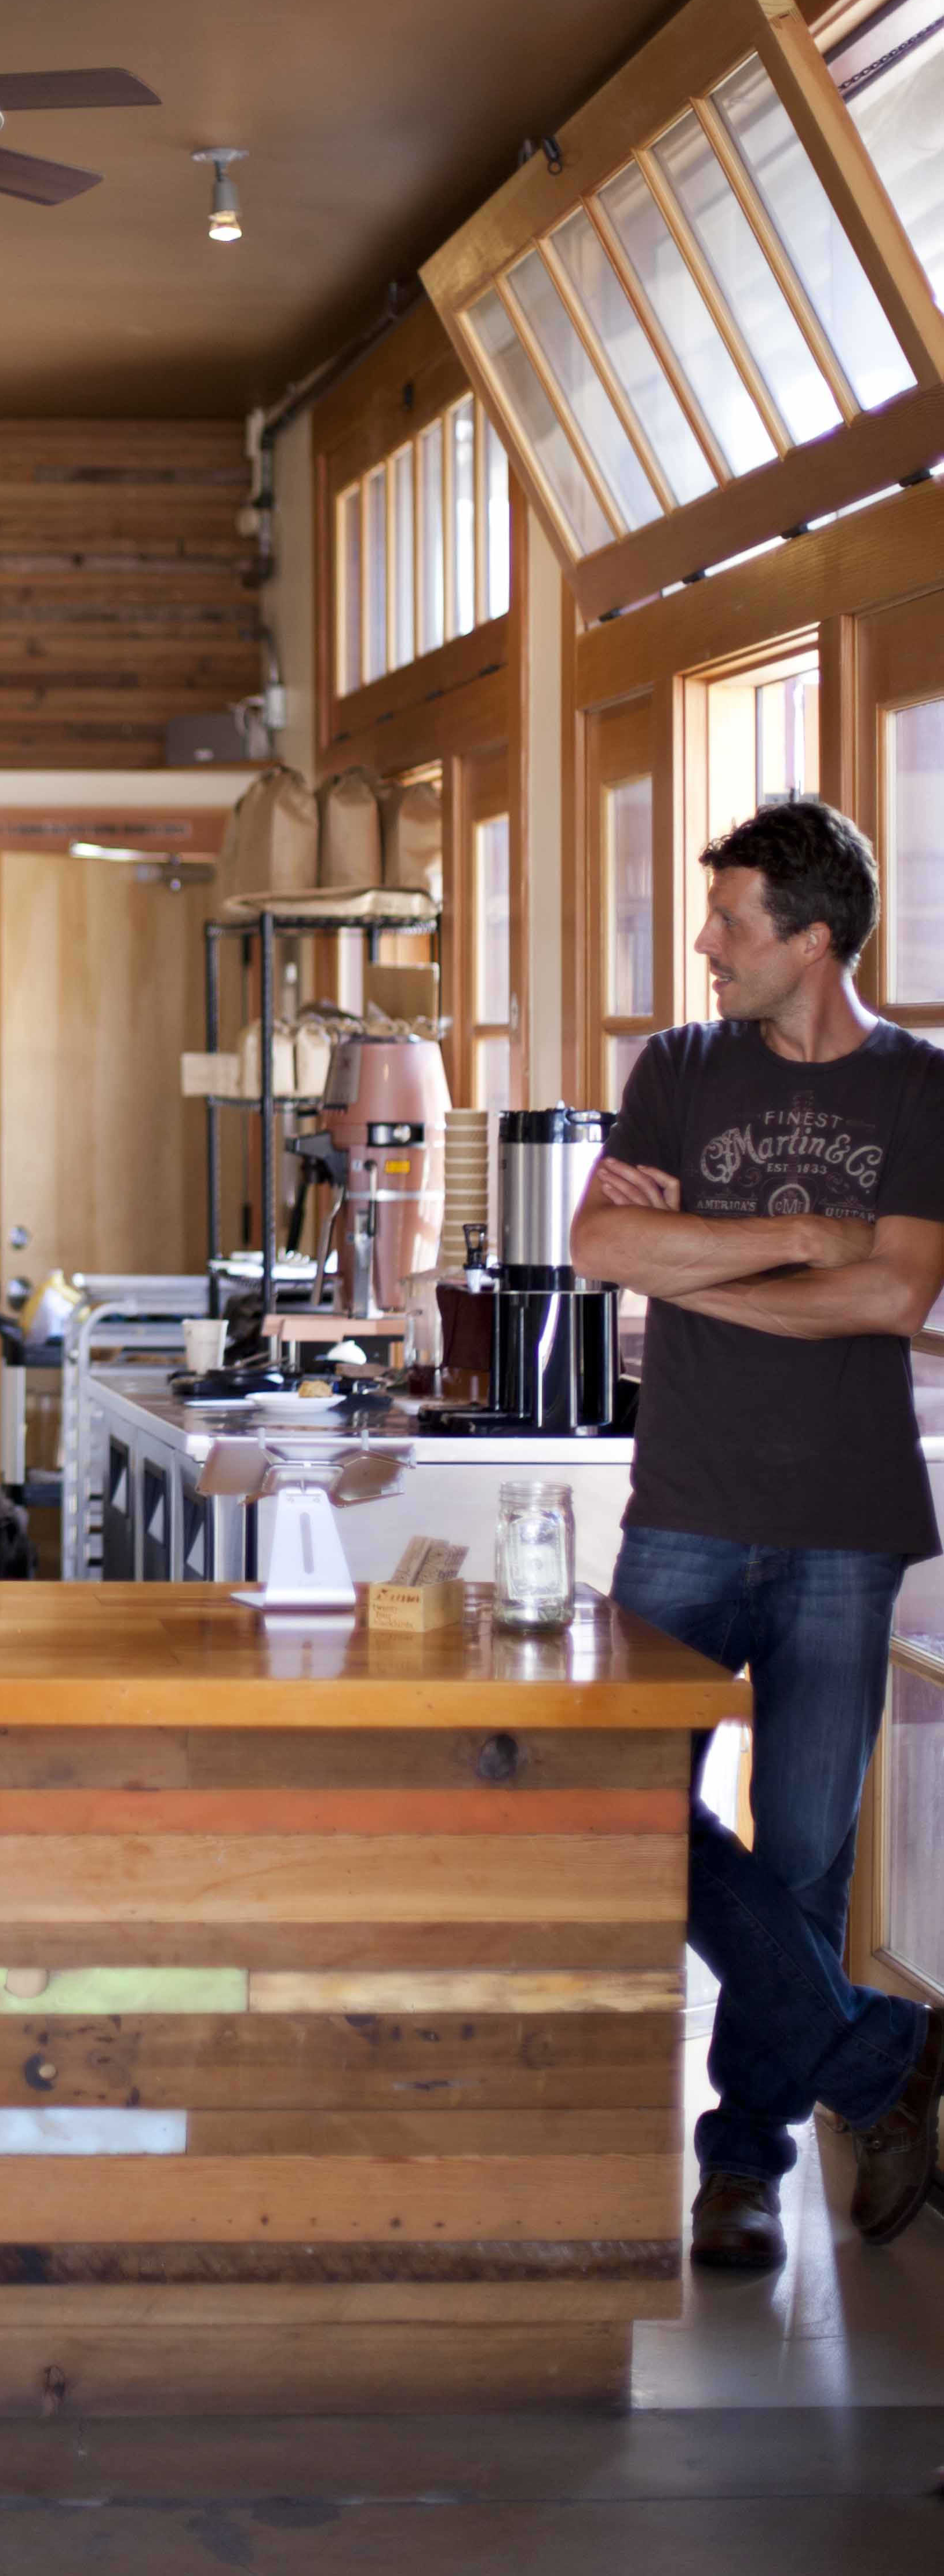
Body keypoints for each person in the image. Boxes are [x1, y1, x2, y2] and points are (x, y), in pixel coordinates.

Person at [572, 800, 944, 2272]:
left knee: (798, 1854)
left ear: (812, 938)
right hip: (686, 1508)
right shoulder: (676, 1065)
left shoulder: (919, 1084)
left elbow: (895, 1299)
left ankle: (741, 2164)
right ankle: (881, 2060)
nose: (705, 943)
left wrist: (704, 1264)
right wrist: (810, 1238)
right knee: (615, 1810)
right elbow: (601, 1250)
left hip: (846, 1521)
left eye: (731, 920)